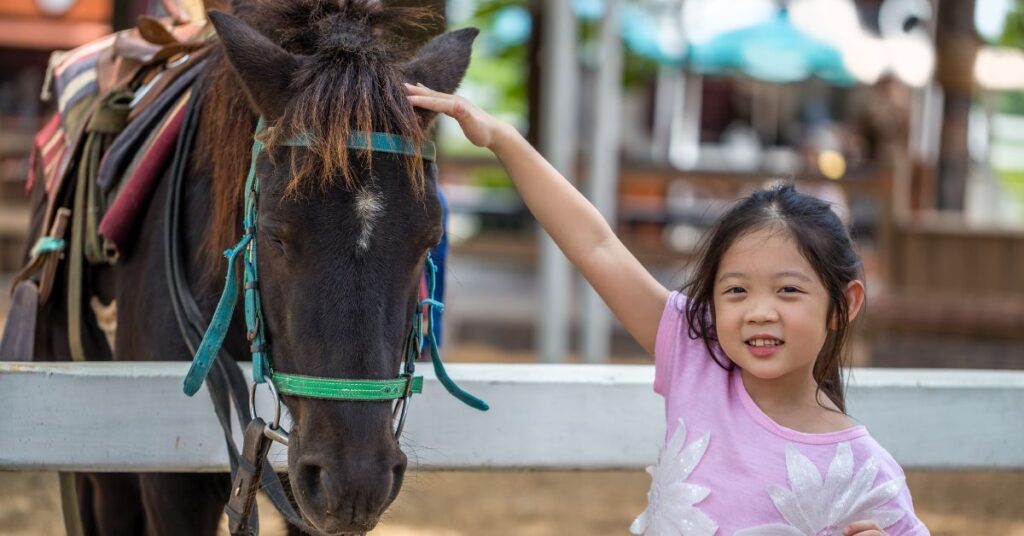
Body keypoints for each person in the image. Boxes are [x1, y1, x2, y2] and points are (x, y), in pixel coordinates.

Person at [406, 83, 928, 536]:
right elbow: (597, 246)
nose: (759, 312)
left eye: (788, 291)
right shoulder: (697, 354)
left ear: (844, 304)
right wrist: (502, 138)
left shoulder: (864, 474)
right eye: (736, 291)